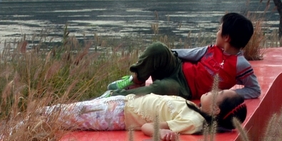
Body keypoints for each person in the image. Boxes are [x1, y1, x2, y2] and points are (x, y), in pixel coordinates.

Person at [108, 12, 259, 101]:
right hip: (178, 68)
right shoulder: (213, 49)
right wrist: (166, 53)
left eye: (219, 30)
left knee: (161, 88)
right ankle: (136, 80)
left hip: (185, 88)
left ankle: (118, 96)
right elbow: (190, 53)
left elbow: (254, 90)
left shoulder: (240, 64)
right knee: (158, 48)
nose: (217, 32)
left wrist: (224, 94)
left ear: (227, 37)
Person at [44, 89, 248, 141]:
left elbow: (148, 127)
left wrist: (162, 134)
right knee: (60, 110)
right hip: (123, 103)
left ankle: (19, 127)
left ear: (215, 110)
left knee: (57, 115)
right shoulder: (194, 108)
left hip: (117, 114)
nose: (215, 89)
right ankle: (22, 122)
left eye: (219, 93)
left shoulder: (193, 121)